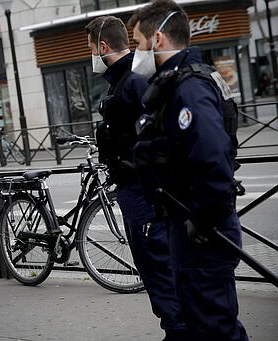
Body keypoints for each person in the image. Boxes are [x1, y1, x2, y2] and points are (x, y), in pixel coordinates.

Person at [128, 1, 248, 339]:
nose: (136, 51)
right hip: (190, 222)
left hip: (202, 229)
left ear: (158, 39)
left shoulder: (189, 87)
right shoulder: (178, 82)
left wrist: (203, 220)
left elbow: (212, 158)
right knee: (203, 323)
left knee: (214, 327)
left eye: (138, 42)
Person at [85, 16, 187, 340]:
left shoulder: (133, 80)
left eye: (90, 49)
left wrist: (136, 166)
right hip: (135, 191)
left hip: (143, 194)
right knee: (156, 275)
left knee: (160, 276)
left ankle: (178, 333)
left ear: (102, 47)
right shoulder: (123, 81)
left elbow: (159, 135)